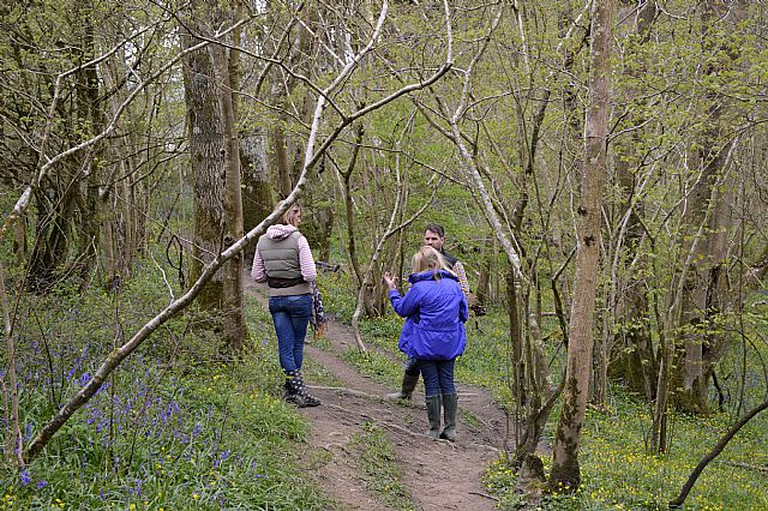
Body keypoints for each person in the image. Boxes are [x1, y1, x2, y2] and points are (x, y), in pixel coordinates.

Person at [384, 246, 468, 441]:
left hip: (426, 343)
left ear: (419, 265)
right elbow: (463, 314)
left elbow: (403, 309)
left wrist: (392, 290)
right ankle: (451, 429)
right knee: (447, 381)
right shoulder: (454, 286)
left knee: (431, 382)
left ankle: (433, 429)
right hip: (449, 342)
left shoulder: (419, 288)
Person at [387, 223, 472, 401]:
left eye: (434, 238)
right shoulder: (420, 260)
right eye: (427, 238)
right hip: (421, 321)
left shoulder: (454, 264)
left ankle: (443, 399)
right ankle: (406, 392)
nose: (430, 242)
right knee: (414, 360)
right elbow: (413, 290)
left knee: (442, 366)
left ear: (442, 240)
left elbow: (464, 291)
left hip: (446, 323)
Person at [251, 203, 321, 408]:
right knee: (297, 343)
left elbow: (256, 276)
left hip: (276, 300)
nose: (300, 220)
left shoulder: (262, 241)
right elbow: (310, 274)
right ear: (291, 216)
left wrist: (276, 275)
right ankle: (300, 390)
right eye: (298, 216)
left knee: (284, 345)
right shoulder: (299, 239)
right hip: (300, 298)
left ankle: (291, 387)